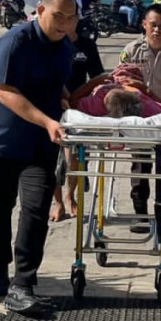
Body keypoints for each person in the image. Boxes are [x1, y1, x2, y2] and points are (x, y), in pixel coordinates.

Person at [0, 0, 79, 315]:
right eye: (58, 16)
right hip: (1, 141)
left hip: (39, 145)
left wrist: (64, 98)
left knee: (35, 211)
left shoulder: (65, 48)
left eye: (71, 17)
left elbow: (55, 82)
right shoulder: (14, 41)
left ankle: (23, 283)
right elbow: (6, 92)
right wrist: (48, 121)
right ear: (40, 12)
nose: (63, 23)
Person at [119, 3, 161, 229]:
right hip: (140, 118)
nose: (158, 30)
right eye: (153, 25)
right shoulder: (131, 50)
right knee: (140, 165)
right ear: (144, 25)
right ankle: (140, 211)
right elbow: (119, 81)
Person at [50, 18, 105, 222]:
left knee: (75, 157)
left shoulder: (86, 45)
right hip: (51, 106)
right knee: (52, 160)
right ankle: (58, 203)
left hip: (78, 108)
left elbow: (98, 77)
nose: (65, 21)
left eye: (70, 16)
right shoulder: (50, 44)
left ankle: (70, 196)